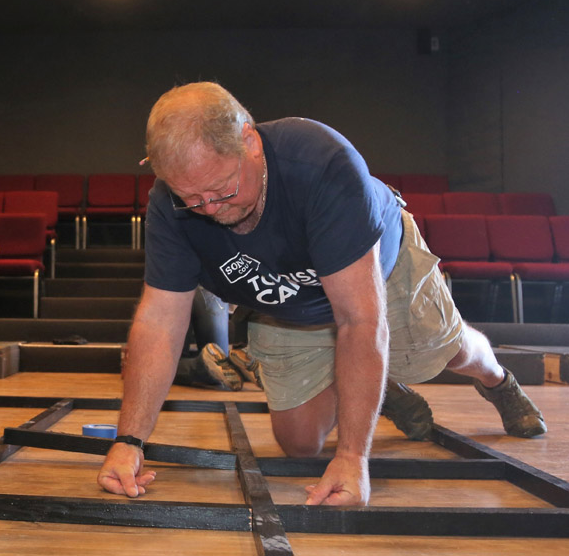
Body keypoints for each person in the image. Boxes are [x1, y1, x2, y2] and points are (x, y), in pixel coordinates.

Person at [97, 82, 546, 506]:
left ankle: (497, 381)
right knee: (299, 443)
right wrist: (128, 441)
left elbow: (359, 319)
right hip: (286, 301)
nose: (210, 210)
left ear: (249, 142)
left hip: (379, 271)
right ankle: (372, 385)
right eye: (192, 199)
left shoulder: (322, 164)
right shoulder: (172, 206)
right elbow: (159, 321)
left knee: (448, 352)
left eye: (222, 190)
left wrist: (352, 458)